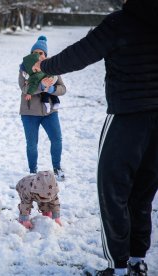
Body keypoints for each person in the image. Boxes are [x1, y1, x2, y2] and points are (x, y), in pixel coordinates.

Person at [31, 0, 158, 275]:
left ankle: (119, 267)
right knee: (143, 193)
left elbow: (82, 53)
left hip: (127, 117)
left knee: (113, 192)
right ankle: (137, 260)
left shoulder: (120, 23)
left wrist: (46, 66)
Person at [18, 35, 67, 180]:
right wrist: (42, 86)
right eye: (35, 53)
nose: (38, 55)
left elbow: (63, 88)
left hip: (50, 112)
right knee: (32, 144)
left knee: (57, 139)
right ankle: (33, 171)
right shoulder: (24, 69)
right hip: (29, 113)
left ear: (45, 55)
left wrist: (51, 90)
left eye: (41, 53)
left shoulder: (52, 68)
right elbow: (25, 88)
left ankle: (57, 168)